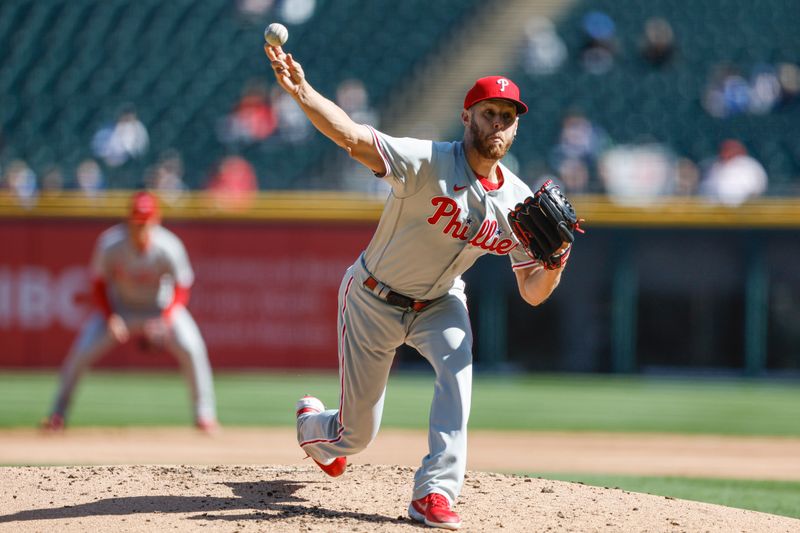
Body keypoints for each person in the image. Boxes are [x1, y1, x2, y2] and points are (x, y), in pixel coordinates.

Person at [265, 42, 571, 530]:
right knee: (354, 436)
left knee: (458, 375)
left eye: (508, 116)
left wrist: (553, 265)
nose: (498, 123)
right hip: (372, 295)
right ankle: (312, 424)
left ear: (516, 128)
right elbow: (350, 136)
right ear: (466, 117)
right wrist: (303, 91)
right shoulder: (426, 161)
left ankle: (434, 493)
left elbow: (532, 292)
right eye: (488, 112)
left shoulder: (517, 201)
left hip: (440, 302)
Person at [42, 191, 218, 433]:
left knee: (192, 347)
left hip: (159, 308)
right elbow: (98, 284)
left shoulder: (169, 245)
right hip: (119, 308)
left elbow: (182, 288)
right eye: (137, 222)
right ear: (128, 221)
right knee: (81, 352)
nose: (141, 228)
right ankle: (58, 413)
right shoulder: (110, 243)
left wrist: (165, 320)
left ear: (156, 221)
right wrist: (110, 317)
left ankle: (204, 415)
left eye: (146, 222)